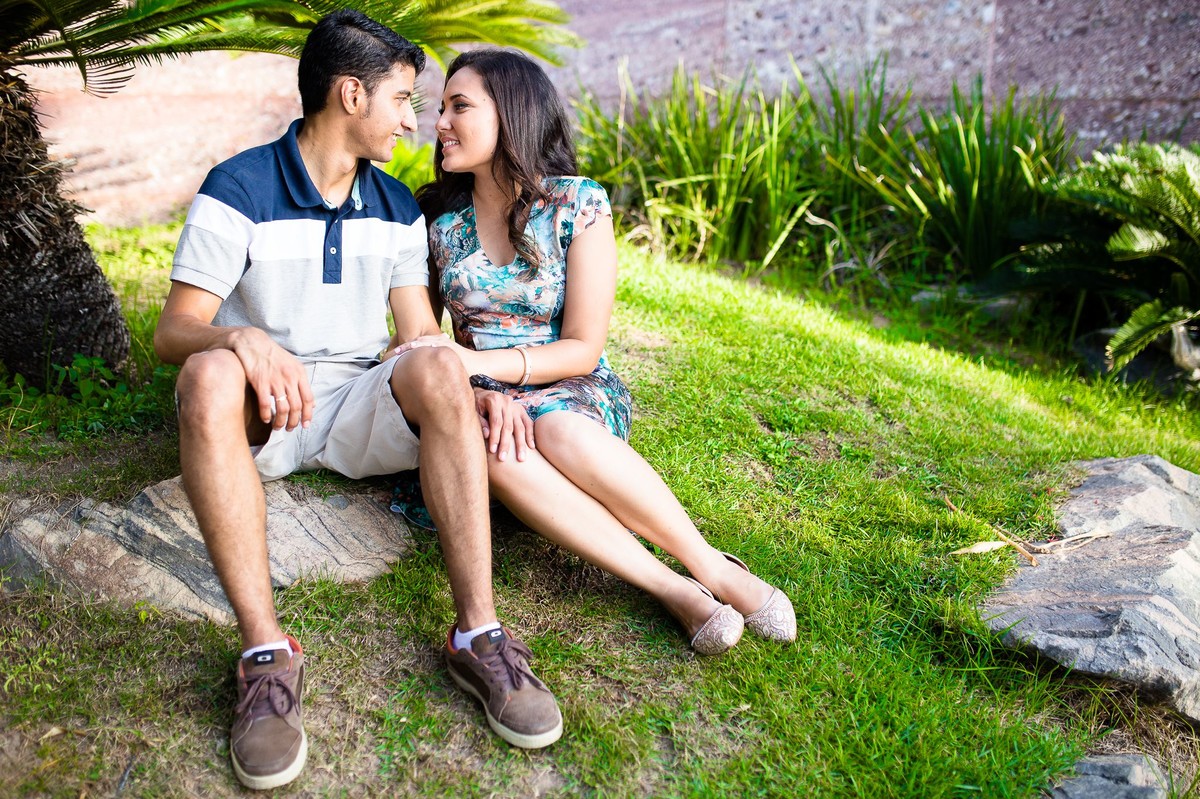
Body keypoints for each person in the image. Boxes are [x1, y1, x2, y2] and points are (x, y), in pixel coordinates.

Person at [154, 13, 561, 791]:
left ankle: (480, 634)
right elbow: (175, 331)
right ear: (350, 95)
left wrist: (477, 385)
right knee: (205, 375)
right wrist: (238, 342)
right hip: (261, 407)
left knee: (439, 365)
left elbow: (415, 341)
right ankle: (265, 658)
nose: (417, 121)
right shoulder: (236, 186)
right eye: (404, 100)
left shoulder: (397, 209)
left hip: (354, 406)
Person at [398, 49, 796, 658]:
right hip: (481, 397)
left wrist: (474, 366)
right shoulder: (434, 219)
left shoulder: (577, 204)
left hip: (570, 389)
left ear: (512, 114)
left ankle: (710, 565)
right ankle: (673, 589)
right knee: (500, 449)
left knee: (555, 430)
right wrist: (472, 386)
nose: (440, 123)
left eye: (460, 106)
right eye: (441, 108)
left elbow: (583, 349)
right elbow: (422, 336)